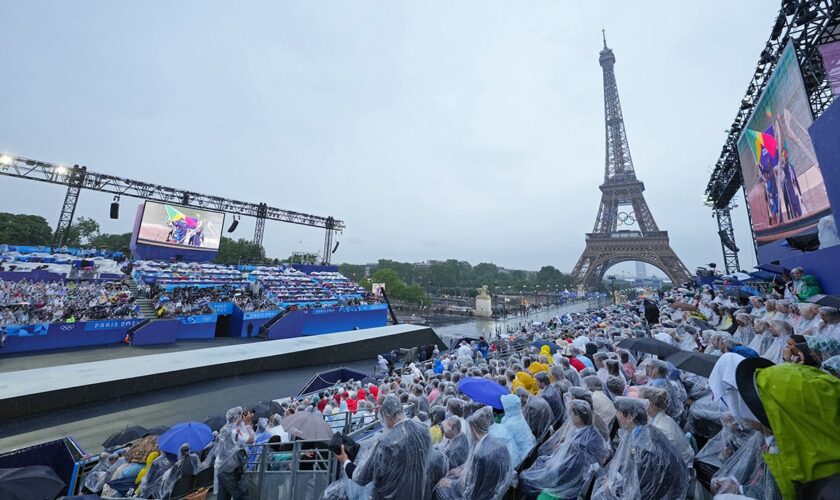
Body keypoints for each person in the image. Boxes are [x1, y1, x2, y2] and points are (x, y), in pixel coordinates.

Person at [337, 395, 432, 499]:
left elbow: (361, 477)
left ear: (388, 417)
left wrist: (345, 461)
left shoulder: (386, 444)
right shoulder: (423, 430)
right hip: (417, 493)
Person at [592, 397, 689, 499]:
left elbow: (638, 485)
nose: (617, 416)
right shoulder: (645, 431)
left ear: (630, 417)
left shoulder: (643, 447)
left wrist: (613, 486)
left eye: (618, 412)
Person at [519, 400, 609, 500]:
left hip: (566, 480)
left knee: (527, 478)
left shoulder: (579, 445)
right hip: (575, 473)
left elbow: (566, 470)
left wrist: (554, 460)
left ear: (578, 417)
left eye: (571, 414)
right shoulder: (592, 432)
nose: (569, 417)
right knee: (541, 461)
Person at [434, 406, 512, 500]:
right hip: (494, 492)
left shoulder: (480, 454)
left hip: (479, 495)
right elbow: (475, 472)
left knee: (440, 489)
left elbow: (469, 487)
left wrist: (450, 483)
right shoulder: (496, 443)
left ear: (474, 429)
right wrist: (462, 469)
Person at [639, 387, 694, 467]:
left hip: (681, 466)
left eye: (640, 402)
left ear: (650, 405)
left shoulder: (659, 429)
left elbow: (657, 458)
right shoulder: (662, 417)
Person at [489, 393, 536, 467]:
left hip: (522, 459)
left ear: (508, 407)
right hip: (530, 452)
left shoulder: (510, 424)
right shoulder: (518, 415)